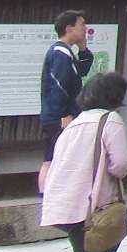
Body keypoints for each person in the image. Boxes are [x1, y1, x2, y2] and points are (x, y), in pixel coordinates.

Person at [39, 70, 127, 252]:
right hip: (89, 206)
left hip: (62, 205)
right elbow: (121, 164)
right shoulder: (110, 120)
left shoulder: (75, 123)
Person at [37, 11, 93, 191]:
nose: (85, 29)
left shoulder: (67, 52)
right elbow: (59, 85)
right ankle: (45, 196)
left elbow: (82, 71)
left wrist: (83, 48)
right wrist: (64, 113)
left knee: (57, 157)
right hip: (58, 116)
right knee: (52, 158)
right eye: (81, 25)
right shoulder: (60, 53)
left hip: (61, 113)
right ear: (69, 28)